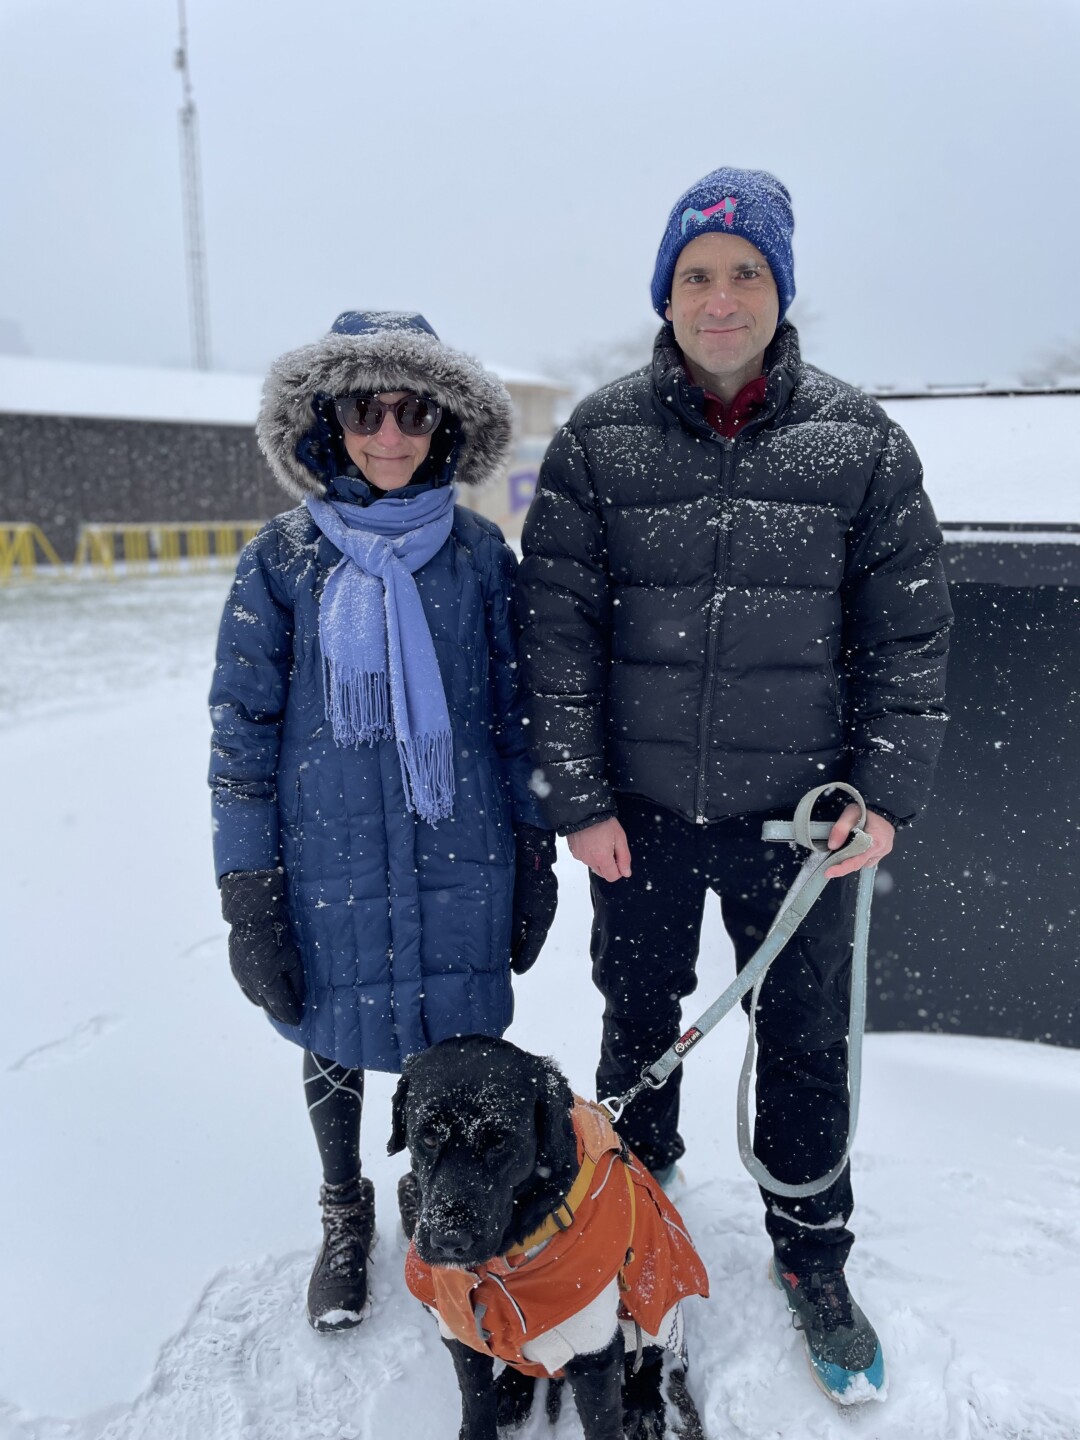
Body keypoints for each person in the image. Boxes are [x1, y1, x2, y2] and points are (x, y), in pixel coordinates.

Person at [515, 169, 952, 1400]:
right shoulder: (599, 441)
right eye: (698, 274)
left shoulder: (860, 445)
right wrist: (581, 797)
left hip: (797, 832)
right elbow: (559, 636)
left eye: (744, 272)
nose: (721, 297)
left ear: (780, 289)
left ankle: (813, 1254)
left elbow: (905, 639)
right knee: (635, 1031)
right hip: (639, 825)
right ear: (667, 292)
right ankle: (635, 1232)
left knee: (804, 1045)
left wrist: (883, 795)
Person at [209, 310, 557, 1333]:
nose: (391, 436)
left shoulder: (485, 557)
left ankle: (441, 1194)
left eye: (413, 412)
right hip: (331, 863)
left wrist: (535, 856)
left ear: (446, 423)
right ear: (329, 421)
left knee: (453, 1047)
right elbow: (242, 739)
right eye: (368, 410)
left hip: (464, 858)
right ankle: (343, 1206)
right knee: (331, 1034)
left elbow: (519, 716)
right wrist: (248, 890)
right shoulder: (280, 563)